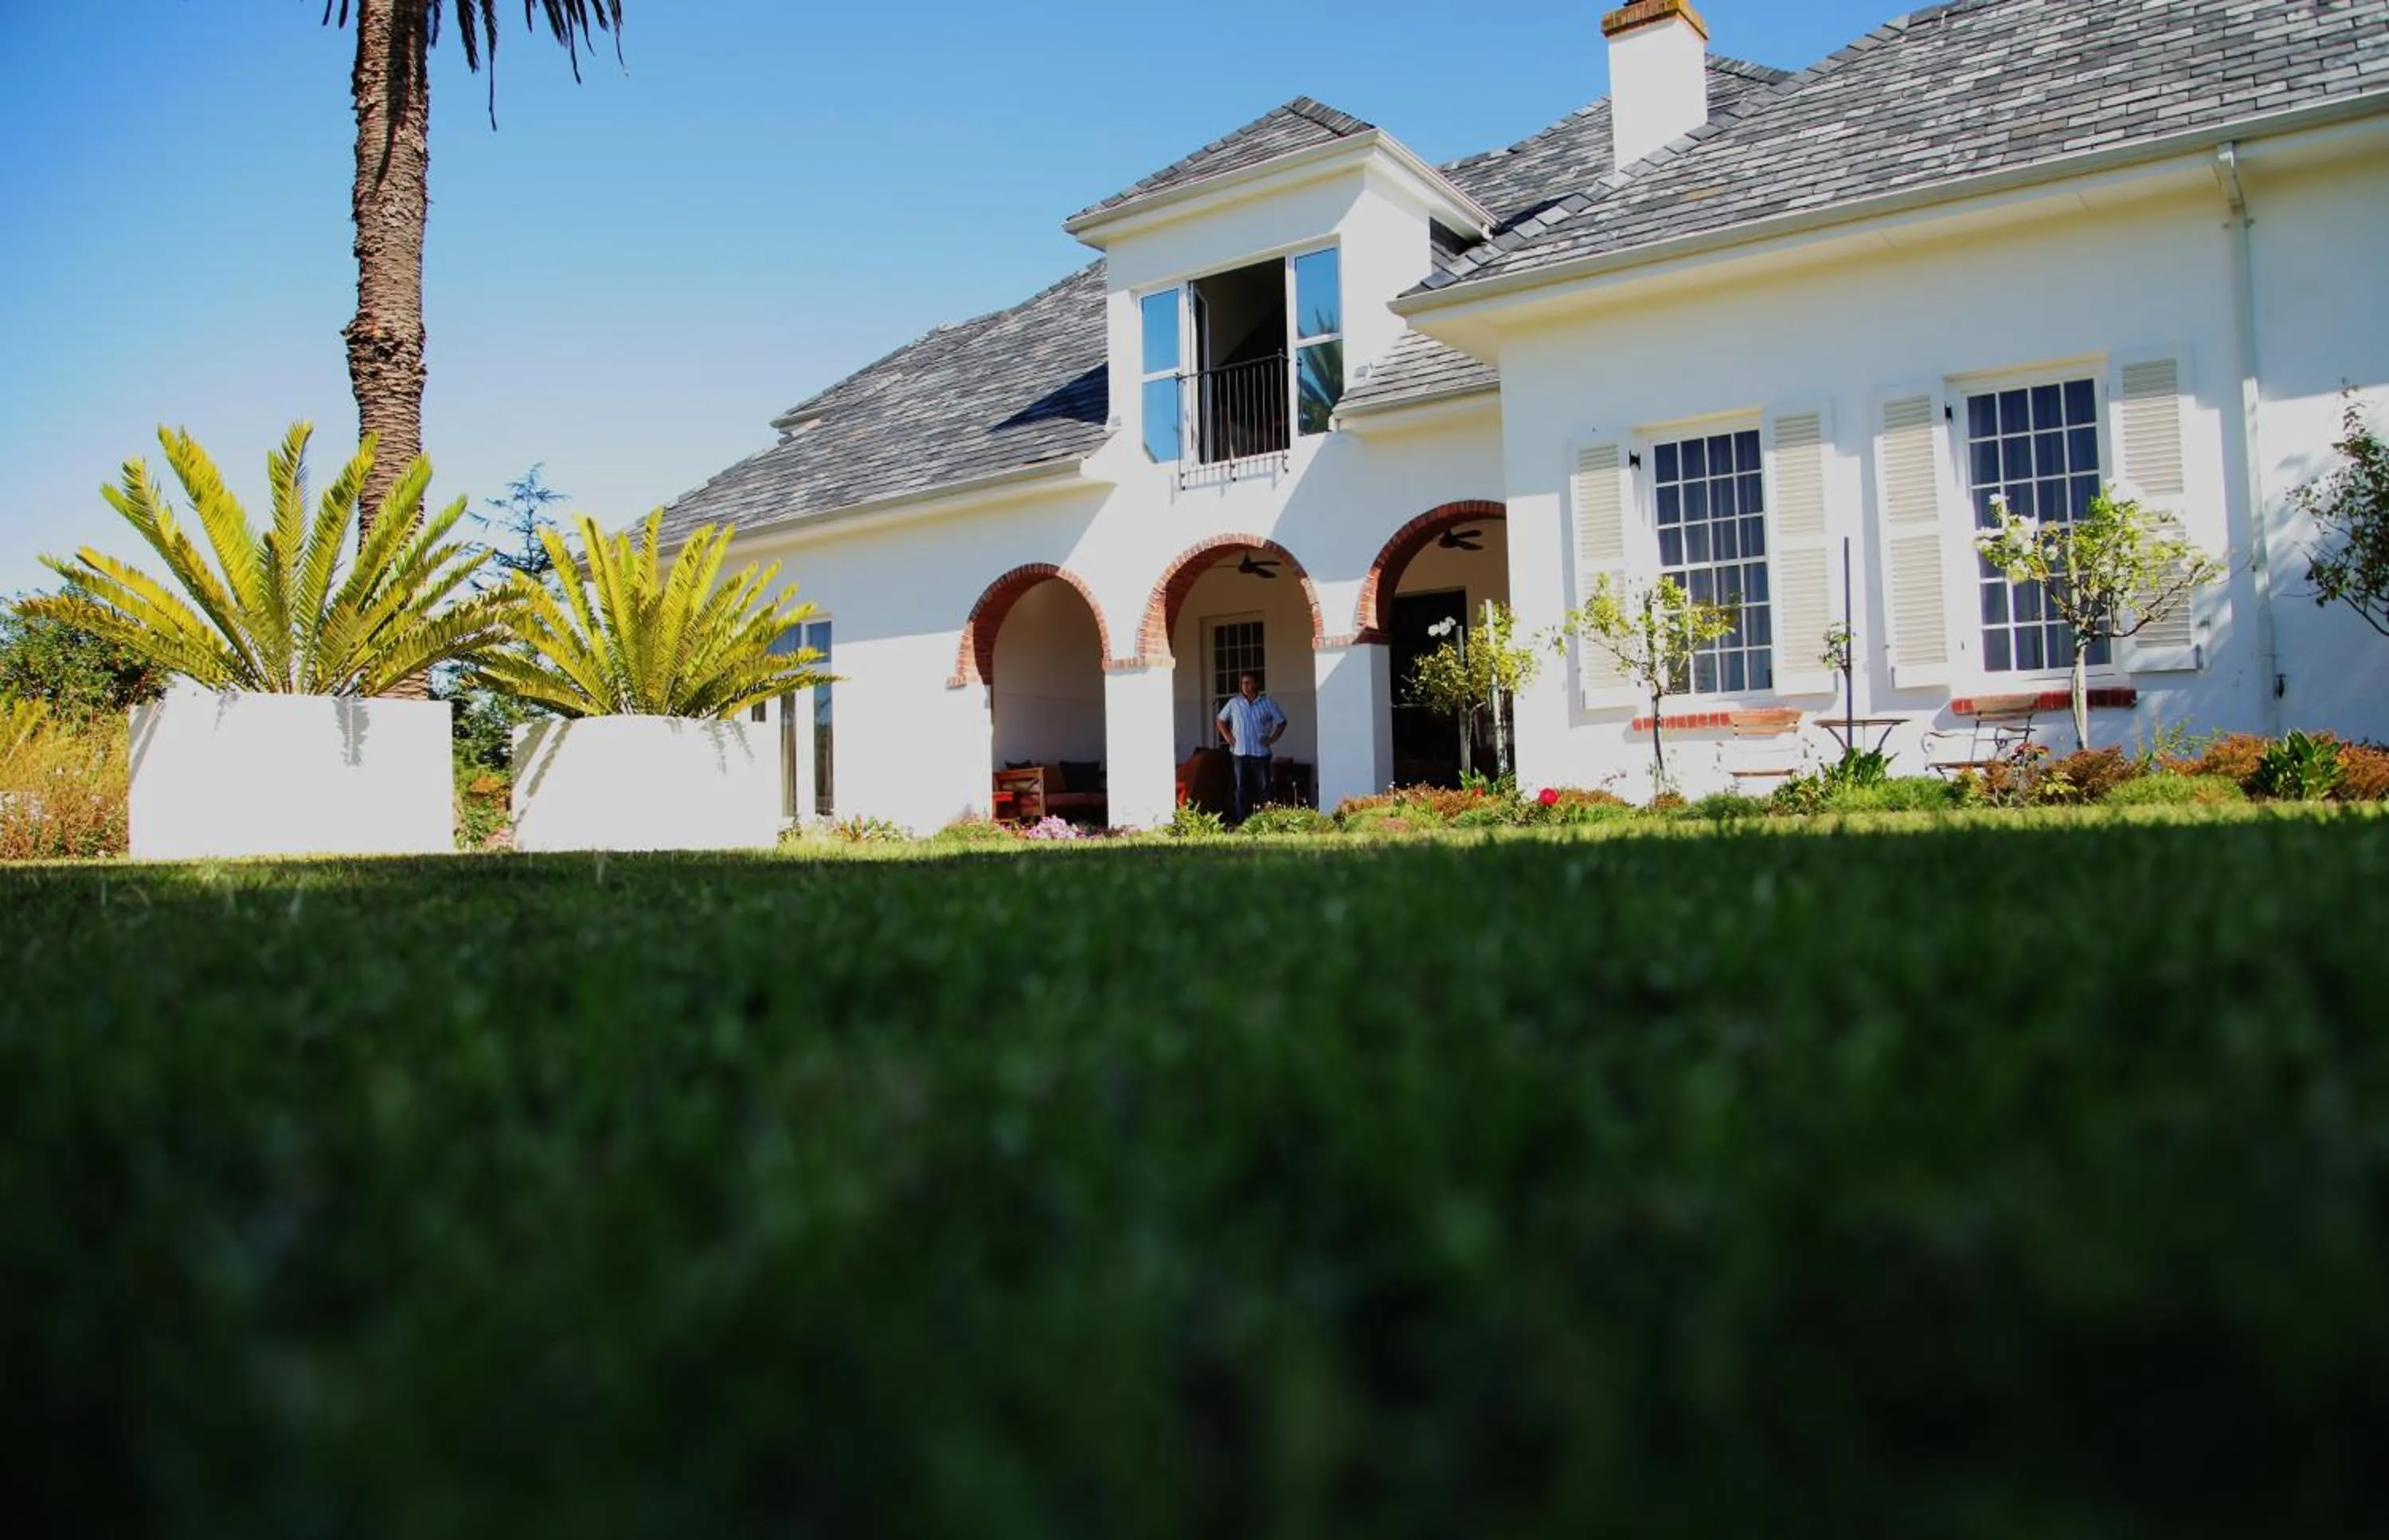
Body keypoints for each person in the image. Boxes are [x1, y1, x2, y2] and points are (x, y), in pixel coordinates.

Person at [1214, 671, 1285, 824]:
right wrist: (1227, 737)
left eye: (1248, 683)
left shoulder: (1267, 703)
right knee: (1241, 788)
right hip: (1239, 754)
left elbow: (1282, 721)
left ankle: (1267, 820)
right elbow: (1220, 720)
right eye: (1242, 683)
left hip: (1261, 754)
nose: (1244, 686)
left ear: (1256, 684)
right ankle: (1242, 821)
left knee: (1264, 788)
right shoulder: (1234, 703)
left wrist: (1272, 739)